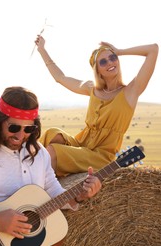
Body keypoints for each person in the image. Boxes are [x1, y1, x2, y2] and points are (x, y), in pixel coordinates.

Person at [0, 86, 101, 246]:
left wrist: (79, 195)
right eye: (13, 128)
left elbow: (53, 192)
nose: (20, 136)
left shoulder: (39, 153)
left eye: (28, 129)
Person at [35, 35, 158, 177]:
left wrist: (119, 51)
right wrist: (42, 50)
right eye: (103, 62)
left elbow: (153, 49)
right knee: (52, 133)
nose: (110, 63)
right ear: (97, 70)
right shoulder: (92, 88)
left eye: (113, 58)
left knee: (54, 150)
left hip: (100, 156)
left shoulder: (131, 91)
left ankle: (39, 189)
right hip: (81, 145)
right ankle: (27, 173)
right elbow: (60, 78)